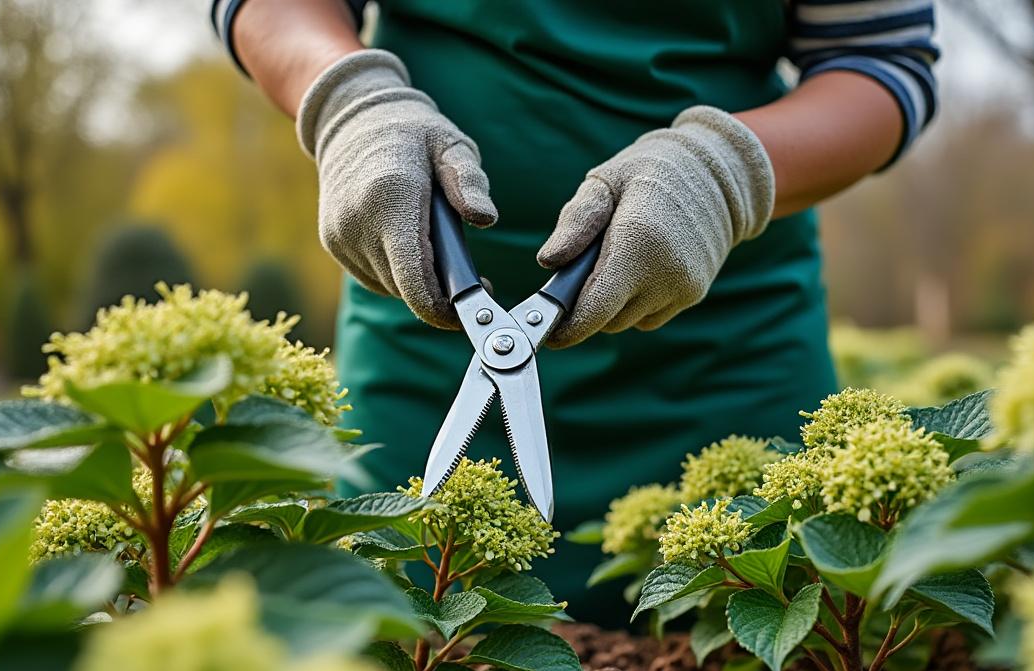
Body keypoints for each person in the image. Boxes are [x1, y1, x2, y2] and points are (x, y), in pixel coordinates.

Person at [211, 0, 939, 622]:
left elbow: (880, 61)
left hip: (725, 352)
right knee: (396, 630)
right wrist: (349, 101)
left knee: (773, 651)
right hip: (424, 347)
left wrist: (724, 172)